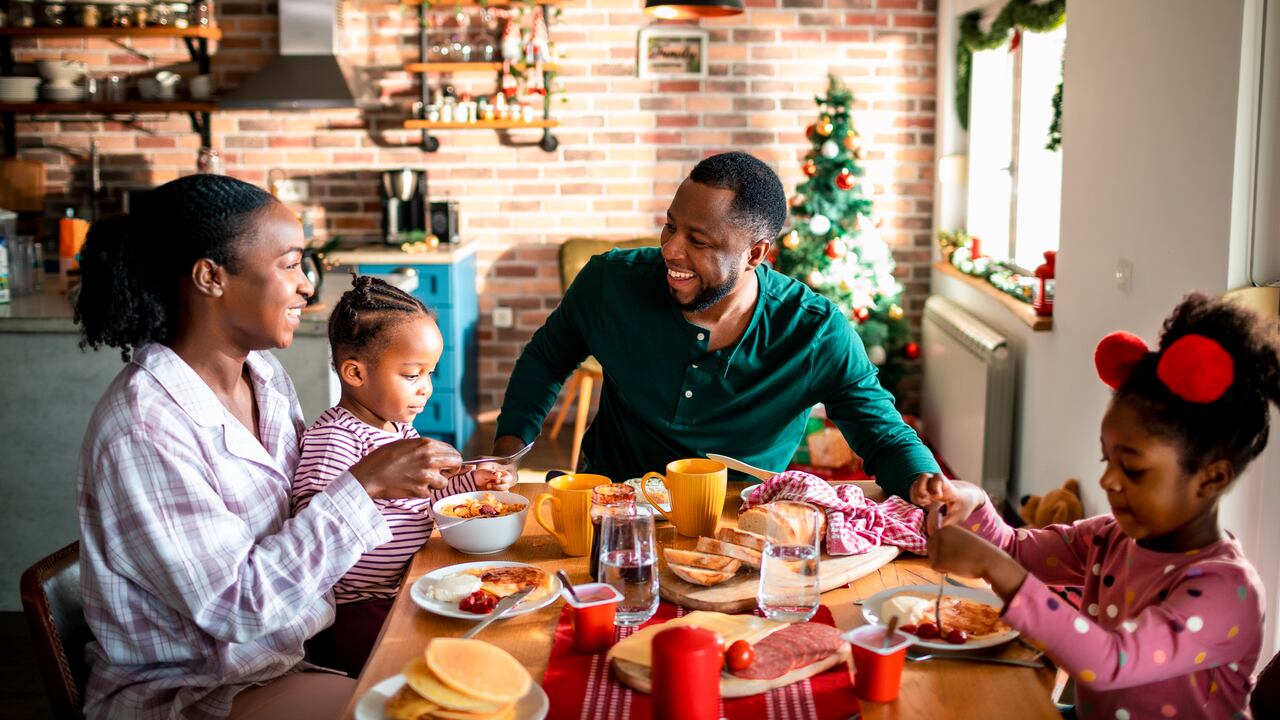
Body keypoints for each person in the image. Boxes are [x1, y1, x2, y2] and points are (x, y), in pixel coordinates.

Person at [74, 175, 466, 719]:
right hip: (202, 691)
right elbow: (236, 607)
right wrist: (365, 484)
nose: (307, 286)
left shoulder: (265, 378)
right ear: (211, 277)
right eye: (289, 264)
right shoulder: (146, 428)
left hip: (289, 656)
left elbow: (303, 514)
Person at [493, 151, 941, 499]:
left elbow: (883, 434)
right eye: (670, 227)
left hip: (740, 519)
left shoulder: (814, 332)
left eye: (698, 241)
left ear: (755, 255)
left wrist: (928, 483)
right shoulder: (609, 282)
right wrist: (506, 457)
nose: (671, 250)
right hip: (613, 504)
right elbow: (545, 360)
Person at [923, 292, 1276, 719]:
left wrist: (995, 569)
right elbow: (1015, 550)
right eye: (1106, 460)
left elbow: (1111, 660)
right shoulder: (1110, 538)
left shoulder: (1226, 591)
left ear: (1212, 477)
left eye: (1134, 469)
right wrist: (975, 503)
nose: (1108, 480)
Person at [292, 275, 514, 677]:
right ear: (355, 374)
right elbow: (313, 523)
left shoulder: (397, 429)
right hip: (352, 609)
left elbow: (425, 495)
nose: (426, 389)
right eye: (412, 375)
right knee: (424, 668)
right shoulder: (334, 438)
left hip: (403, 583)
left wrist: (471, 483)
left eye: (430, 374)